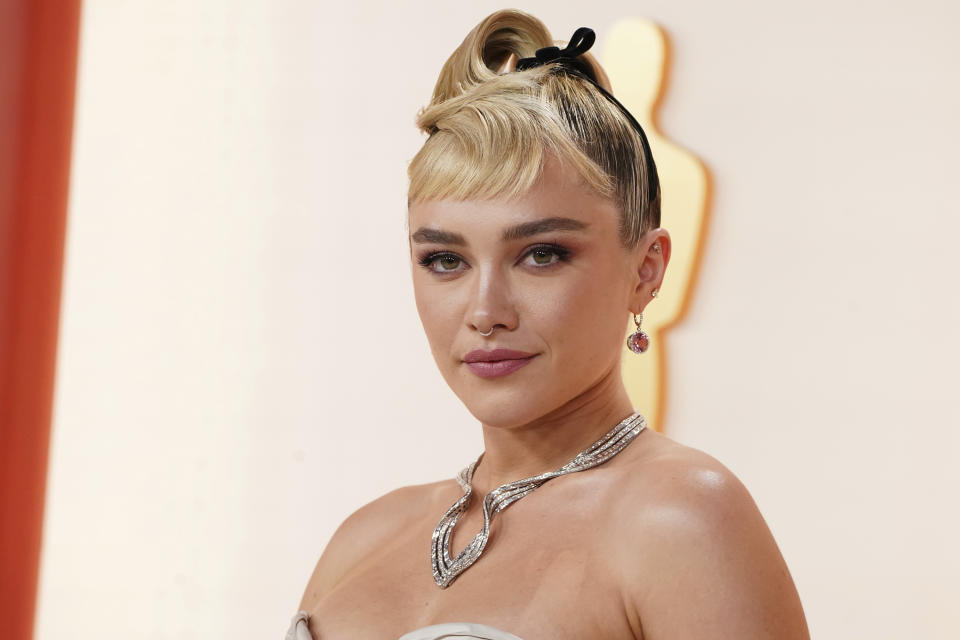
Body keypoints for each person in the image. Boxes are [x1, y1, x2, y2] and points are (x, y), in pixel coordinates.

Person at [287, 9, 809, 640]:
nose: (485, 312)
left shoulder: (683, 519)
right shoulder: (364, 534)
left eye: (542, 255)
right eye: (445, 260)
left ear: (646, 271)